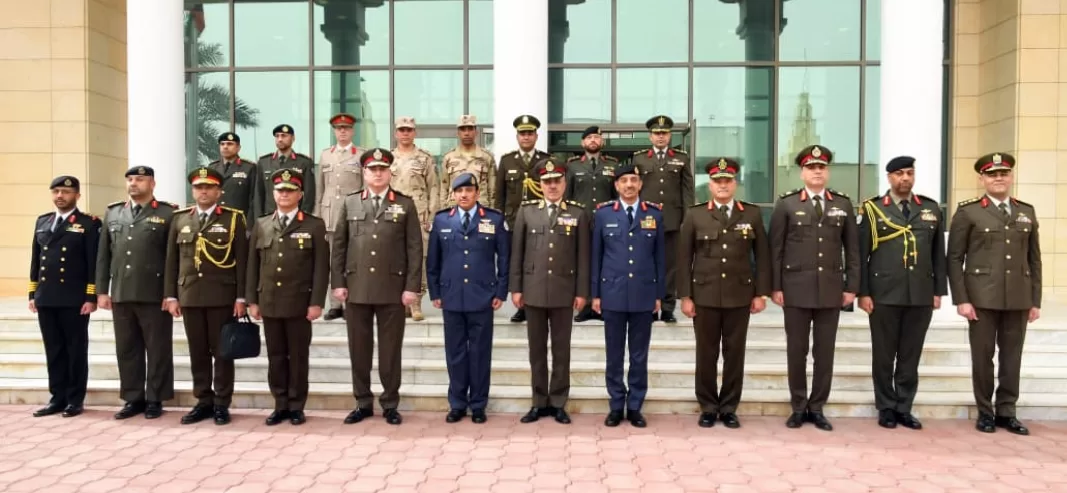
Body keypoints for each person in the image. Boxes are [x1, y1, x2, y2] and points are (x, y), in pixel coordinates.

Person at [948, 152, 1041, 436]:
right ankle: (985, 412)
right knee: (983, 357)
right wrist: (962, 299)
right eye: (992, 174)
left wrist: (1035, 300)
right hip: (981, 298)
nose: (998, 178)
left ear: (1011, 177)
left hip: (1018, 297)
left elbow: (1034, 259)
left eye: (1003, 173)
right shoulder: (968, 212)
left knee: (1012, 358)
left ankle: (1007, 412)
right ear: (982, 179)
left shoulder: (1026, 211)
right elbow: (954, 258)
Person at [769, 145, 859, 432]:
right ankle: (798, 406)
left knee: (825, 352)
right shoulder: (786, 204)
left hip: (830, 290)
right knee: (796, 351)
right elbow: (776, 249)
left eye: (821, 167)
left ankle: (817, 407)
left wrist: (851, 287)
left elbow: (852, 250)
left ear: (827, 171)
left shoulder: (843, 204)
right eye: (811, 167)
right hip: (795, 289)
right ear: (802, 172)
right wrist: (775, 286)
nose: (817, 172)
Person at [331, 148, 422, 426]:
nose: (378, 173)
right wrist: (338, 283)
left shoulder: (404, 204)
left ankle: (390, 403)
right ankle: (362, 402)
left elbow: (414, 248)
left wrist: (412, 287)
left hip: (392, 289)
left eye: (382, 169)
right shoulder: (350, 202)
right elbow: (339, 246)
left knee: (390, 351)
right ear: (364, 172)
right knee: (359, 350)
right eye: (373, 169)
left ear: (389, 172)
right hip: (356, 288)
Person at [677, 158, 771, 429]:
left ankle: (729, 407)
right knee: (706, 355)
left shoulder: (751, 214)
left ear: (735, 183)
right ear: (710, 185)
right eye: (717, 181)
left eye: (727, 181)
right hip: (704, 296)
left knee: (734, 355)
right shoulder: (695, 215)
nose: (722, 185)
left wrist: (761, 293)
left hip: (739, 295)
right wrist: (685, 296)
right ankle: (708, 406)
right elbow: (683, 258)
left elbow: (762, 256)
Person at [857, 156, 946, 431]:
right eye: (899, 174)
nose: (905, 178)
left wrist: (938, 291)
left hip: (920, 293)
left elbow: (938, 254)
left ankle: (904, 407)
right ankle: (886, 406)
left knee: (910, 355)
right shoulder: (873, 209)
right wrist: (863, 292)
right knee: (884, 355)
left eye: (909, 173)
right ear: (889, 178)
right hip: (883, 293)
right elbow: (861, 255)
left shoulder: (930, 208)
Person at [164, 167, 249, 426]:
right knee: (197, 352)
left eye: (209, 187)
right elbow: (171, 260)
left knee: (222, 352)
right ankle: (203, 400)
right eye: (199, 187)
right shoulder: (180, 219)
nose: (203, 191)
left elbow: (242, 261)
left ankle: (222, 402)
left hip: (222, 296)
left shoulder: (233, 219)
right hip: (190, 295)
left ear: (219, 191)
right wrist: (171, 295)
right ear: (193, 191)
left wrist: (241, 298)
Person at [510, 158, 590, 425]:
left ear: (564, 183)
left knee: (561, 350)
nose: (552, 186)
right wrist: (516, 288)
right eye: (547, 182)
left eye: (557, 181)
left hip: (564, 291)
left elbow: (583, 257)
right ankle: (538, 402)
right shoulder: (527, 212)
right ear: (540, 185)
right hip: (533, 290)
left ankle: (558, 402)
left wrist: (582, 291)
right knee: (536, 351)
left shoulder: (578, 213)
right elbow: (517, 253)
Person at [247, 169, 329, 426]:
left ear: (300, 194)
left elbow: (321, 268)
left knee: (298, 356)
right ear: (273, 194)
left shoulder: (314, 225)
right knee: (276, 357)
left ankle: (296, 405)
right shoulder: (262, 224)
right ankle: (280, 404)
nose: (284, 194)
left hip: (299, 303)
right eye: (280, 190)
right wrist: (252, 300)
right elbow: (252, 265)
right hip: (270, 301)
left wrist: (316, 302)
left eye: (290, 190)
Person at [426, 173, 509, 424]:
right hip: (451, 296)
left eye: (469, 190)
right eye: (459, 191)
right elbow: (433, 261)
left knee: (480, 353)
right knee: (455, 353)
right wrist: (435, 292)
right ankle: (458, 403)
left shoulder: (494, 219)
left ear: (477, 193)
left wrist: (501, 291)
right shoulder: (442, 220)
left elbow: (504, 258)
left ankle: (479, 404)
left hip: (482, 296)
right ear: (453, 194)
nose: (464, 195)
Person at [96, 166, 178, 420]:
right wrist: (102, 290)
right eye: (130, 179)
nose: (133, 183)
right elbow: (103, 255)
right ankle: (133, 398)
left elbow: (172, 258)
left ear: (152, 183)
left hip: (154, 293)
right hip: (121, 292)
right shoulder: (113, 213)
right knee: (127, 349)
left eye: (140, 179)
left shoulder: (168, 213)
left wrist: (170, 293)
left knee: (158, 349)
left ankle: (155, 398)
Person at [591, 163, 665, 428]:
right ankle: (615, 405)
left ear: (640, 184)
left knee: (638, 355)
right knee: (614, 354)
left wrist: (659, 295)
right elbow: (596, 256)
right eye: (624, 180)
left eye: (634, 179)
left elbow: (660, 258)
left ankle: (634, 406)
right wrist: (595, 294)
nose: (629, 185)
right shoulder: (603, 214)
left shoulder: (654, 214)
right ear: (616, 185)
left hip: (644, 293)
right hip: (612, 293)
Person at [28, 176, 101, 418]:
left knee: (75, 350)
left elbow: (93, 263)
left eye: (66, 192)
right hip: (46, 297)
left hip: (74, 299)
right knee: (54, 350)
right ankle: (57, 398)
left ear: (77, 196)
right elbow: (36, 260)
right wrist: (33, 293)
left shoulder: (88, 223)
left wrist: (91, 296)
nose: (60, 196)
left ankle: (74, 399)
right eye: (56, 191)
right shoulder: (43, 221)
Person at [631, 115, 693, 323]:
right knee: (645, 263)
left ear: (670, 136)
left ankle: (667, 307)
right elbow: (633, 189)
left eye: (664, 133)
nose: (660, 137)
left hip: (672, 220)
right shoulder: (639, 159)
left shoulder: (681, 158)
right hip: (646, 220)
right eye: (657, 133)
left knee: (670, 266)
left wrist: (687, 219)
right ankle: (649, 306)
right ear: (650, 136)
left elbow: (687, 191)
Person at [495, 115, 550, 324]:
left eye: (530, 133)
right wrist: (500, 219)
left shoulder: (545, 160)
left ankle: (537, 303)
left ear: (536, 136)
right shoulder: (507, 160)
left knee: (537, 263)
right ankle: (521, 306)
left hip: (539, 221)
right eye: (522, 133)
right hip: (513, 222)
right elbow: (500, 195)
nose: (526, 137)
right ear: (517, 136)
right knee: (516, 263)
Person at [564, 125, 619, 323]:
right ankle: (586, 305)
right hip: (582, 223)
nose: (593, 140)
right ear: (583, 143)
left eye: (596, 137)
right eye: (589, 138)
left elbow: (617, 197)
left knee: (607, 264)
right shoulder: (572, 166)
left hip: (607, 224)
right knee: (584, 264)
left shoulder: (612, 164)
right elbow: (567, 197)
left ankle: (604, 304)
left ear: (602, 141)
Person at [390, 116, 440, 322]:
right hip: (393, 213)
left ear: (415, 133)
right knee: (396, 257)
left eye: (409, 130)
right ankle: (401, 301)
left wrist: (432, 215)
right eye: (402, 130)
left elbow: (434, 187)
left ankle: (416, 301)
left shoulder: (425, 158)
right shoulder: (388, 158)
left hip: (419, 214)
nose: (405, 133)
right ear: (396, 133)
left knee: (419, 256)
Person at [316, 113, 365, 321]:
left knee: (352, 261)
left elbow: (365, 188)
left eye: (346, 128)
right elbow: (320, 189)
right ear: (334, 131)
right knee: (332, 261)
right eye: (339, 128)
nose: (342, 131)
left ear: (352, 131)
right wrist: (318, 217)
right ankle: (335, 304)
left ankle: (350, 303)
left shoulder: (360, 155)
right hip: (329, 216)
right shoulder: (325, 155)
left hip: (353, 215)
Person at [255, 124, 316, 216]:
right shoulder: (264, 162)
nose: (280, 139)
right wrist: (259, 219)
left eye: (284, 136)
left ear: (293, 138)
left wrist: (303, 217)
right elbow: (258, 195)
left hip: (295, 217)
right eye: (277, 136)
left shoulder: (304, 162)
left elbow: (309, 195)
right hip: (270, 217)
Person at [440, 115, 497, 209]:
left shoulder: (486, 157)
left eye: (470, 129)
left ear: (476, 132)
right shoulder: (449, 158)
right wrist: (443, 212)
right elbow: (443, 189)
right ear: (458, 133)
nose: (466, 133)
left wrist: (492, 212)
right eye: (463, 130)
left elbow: (493, 190)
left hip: (480, 209)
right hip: (454, 209)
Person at [210, 132, 261, 219]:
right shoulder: (212, 168)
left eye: (229, 144)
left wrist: (250, 223)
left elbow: (254, 199)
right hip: (216, 220)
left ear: (238, 148)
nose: (225, 147)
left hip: (239, 220)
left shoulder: (249, 168)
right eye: (222, 144)